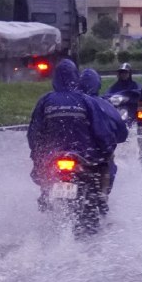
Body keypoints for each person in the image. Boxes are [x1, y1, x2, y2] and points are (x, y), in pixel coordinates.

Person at [28, 59, 126, 210]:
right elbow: (100, 131)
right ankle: (101, 197)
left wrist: (36, 154)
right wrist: (106, 149)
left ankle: (45, 194)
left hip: (52, 156)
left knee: (44, 177)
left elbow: (34, 133)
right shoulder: (86, 101)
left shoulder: (45, 100)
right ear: (75, 77)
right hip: (84, 155)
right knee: (104, 167)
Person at [78, 68, 130, 197]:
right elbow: (120, 130)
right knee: (108, 162)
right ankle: (102, 196)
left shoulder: (70, 101)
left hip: (67, 148)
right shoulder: (104, 105)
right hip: (94, 153)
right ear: (98, 84)